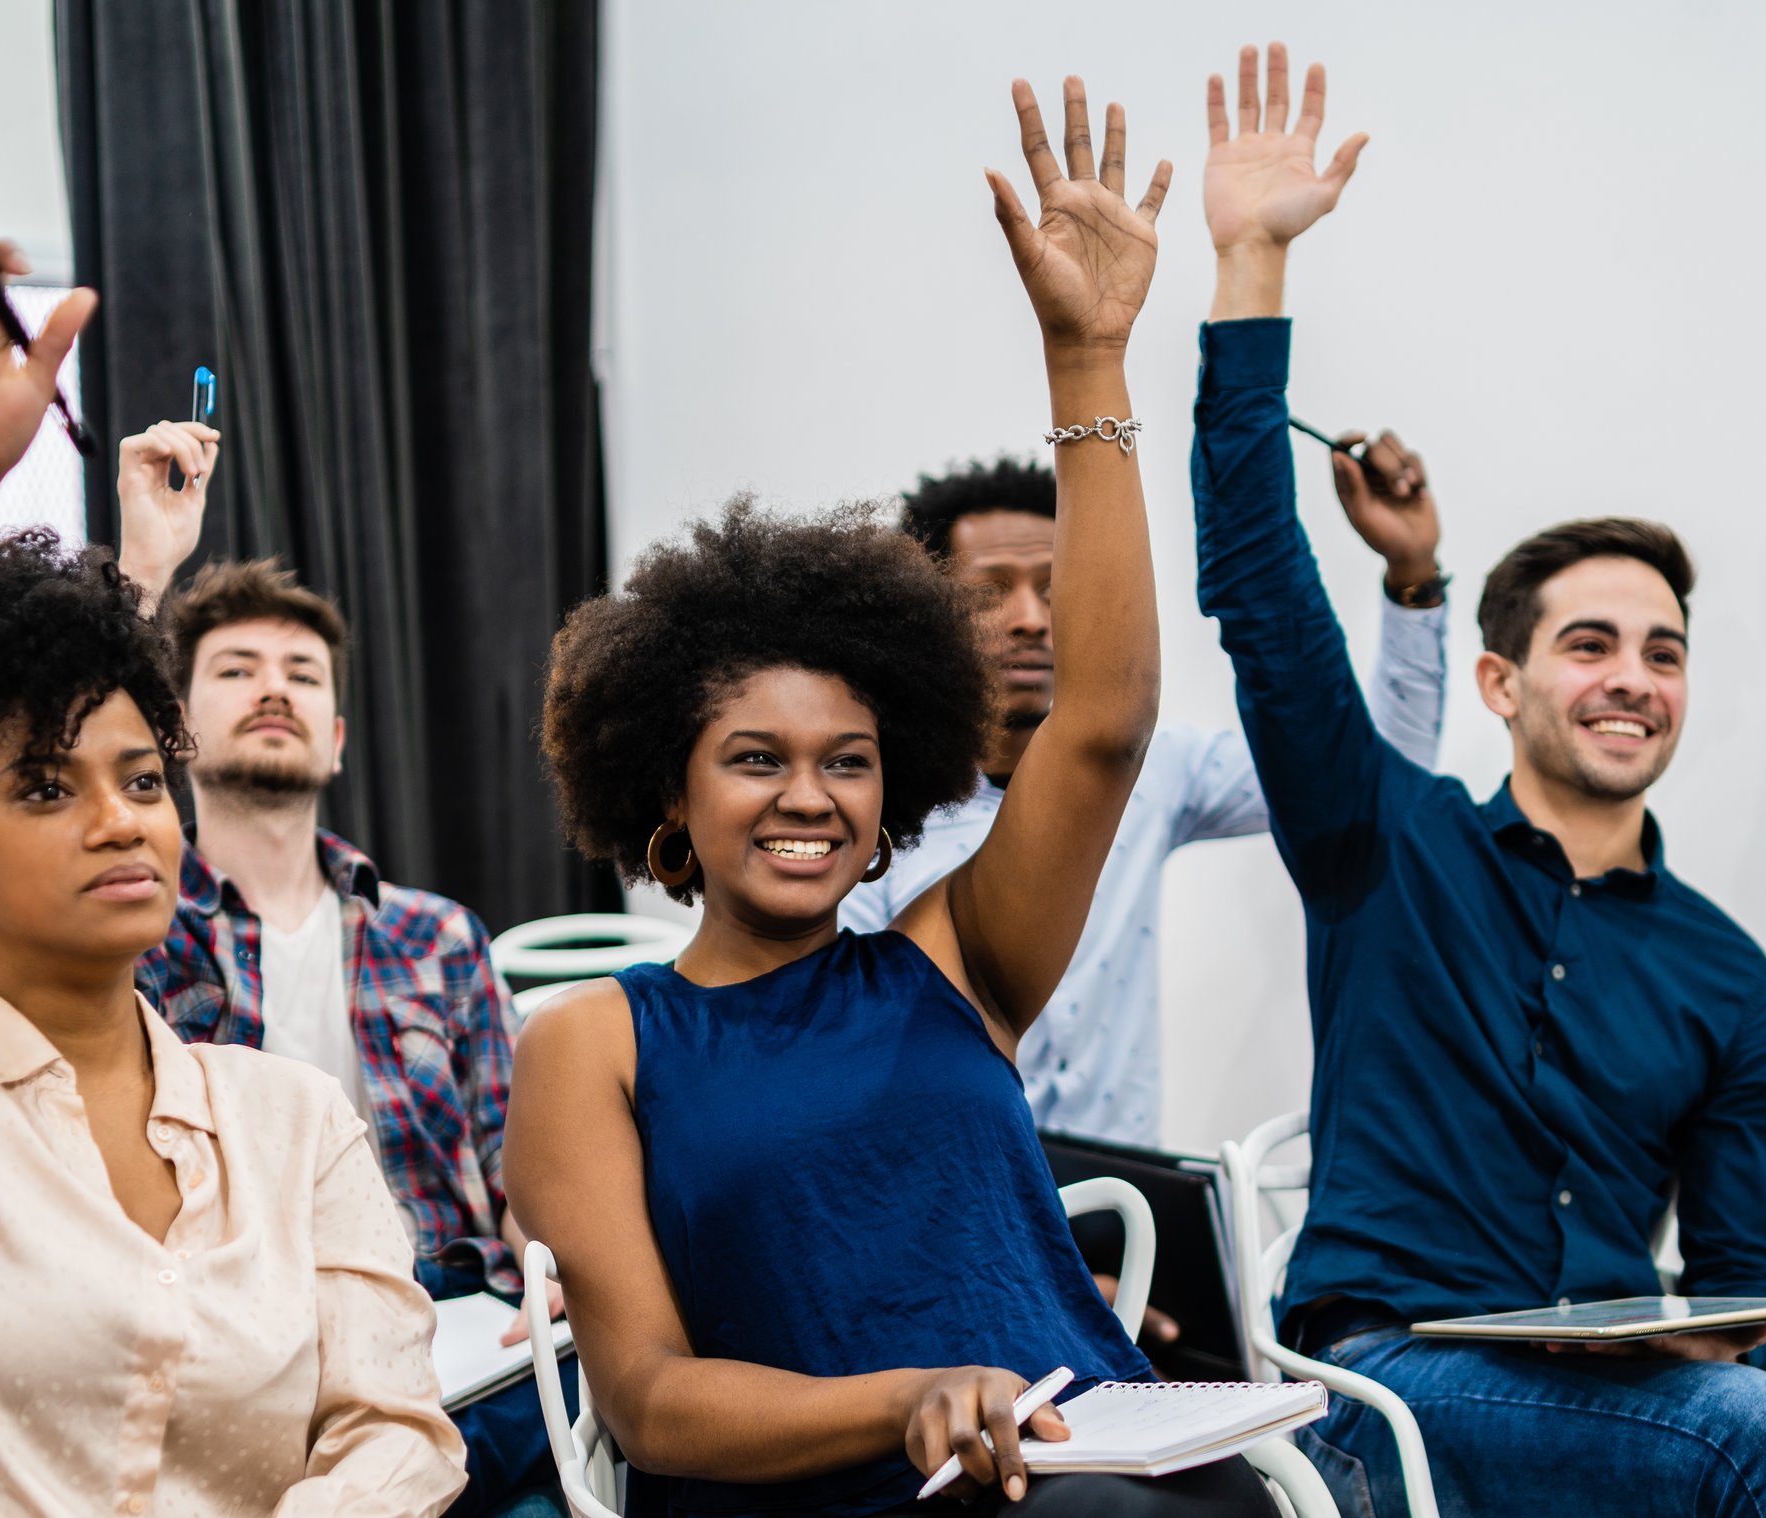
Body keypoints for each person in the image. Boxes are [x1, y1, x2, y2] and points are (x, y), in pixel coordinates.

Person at [509, 78, 1275, 1517]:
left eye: (848, 759)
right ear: (666, 782)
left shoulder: (950, 960)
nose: (811, 796)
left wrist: (1089, 362)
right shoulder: (591, 1042)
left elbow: (1103, 724)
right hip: (844, 1491)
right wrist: (914, 1400)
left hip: (1088, 1461)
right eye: (757, 757)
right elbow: (653, 1399)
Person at [0, 159, 465, 1515]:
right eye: (48, 788)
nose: (120, 815)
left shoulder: (289, 1126)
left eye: (141, 778)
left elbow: (397, 1434)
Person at [1190, 43, 1766, 1518]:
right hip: (1378, 1383)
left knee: (1746, 1412)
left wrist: (1713, 1324)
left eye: (1661, 651)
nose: (1631, 677)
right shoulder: (1380, 842)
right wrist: (1250, 267)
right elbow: (1264, 598)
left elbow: (1744, 1294)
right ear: (1500, 682)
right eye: (1588, 643)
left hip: (1609, 1398)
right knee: (1754, 1445)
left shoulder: (1732, 980)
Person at [840, 447, 1447, 1147]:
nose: (1031, 617)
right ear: (925, 616)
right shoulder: (871, 797)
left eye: (1054, 584)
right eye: (989, 592)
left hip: (1126, 1202)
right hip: (944, 1192)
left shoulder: (1152, 771)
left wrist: (1413, 579)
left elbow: (1369, 778)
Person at [138, 556, 549, 1517]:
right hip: (247, 1350)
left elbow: (517, 1162)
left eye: (303, 674)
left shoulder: (438, 936)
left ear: (336, 742)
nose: (274, 686)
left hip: (454, 1324)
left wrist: (553, 1262)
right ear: (177, 736)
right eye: (236, 669)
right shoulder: (139, 942)